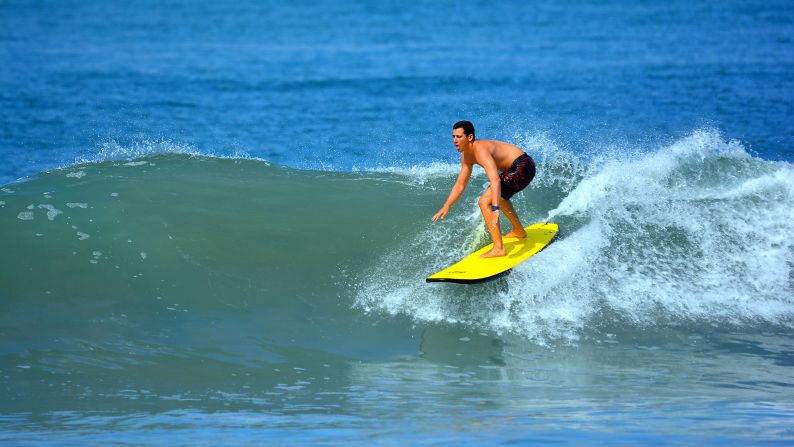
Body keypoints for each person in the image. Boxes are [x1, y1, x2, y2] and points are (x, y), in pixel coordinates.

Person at [432, 120, 536, 258]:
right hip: (516, 167)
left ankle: (499, 248)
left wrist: (495, 208)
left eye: (459, 137)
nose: (455, 141)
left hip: (522, 166)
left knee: (484, 202)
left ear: (469, 137)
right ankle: (519, 231)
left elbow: (495, 180)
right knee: (499, 196)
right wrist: (447, 206)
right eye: (453, 137)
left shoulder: (480, 150)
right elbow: (460, 184)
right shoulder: (466, 157)